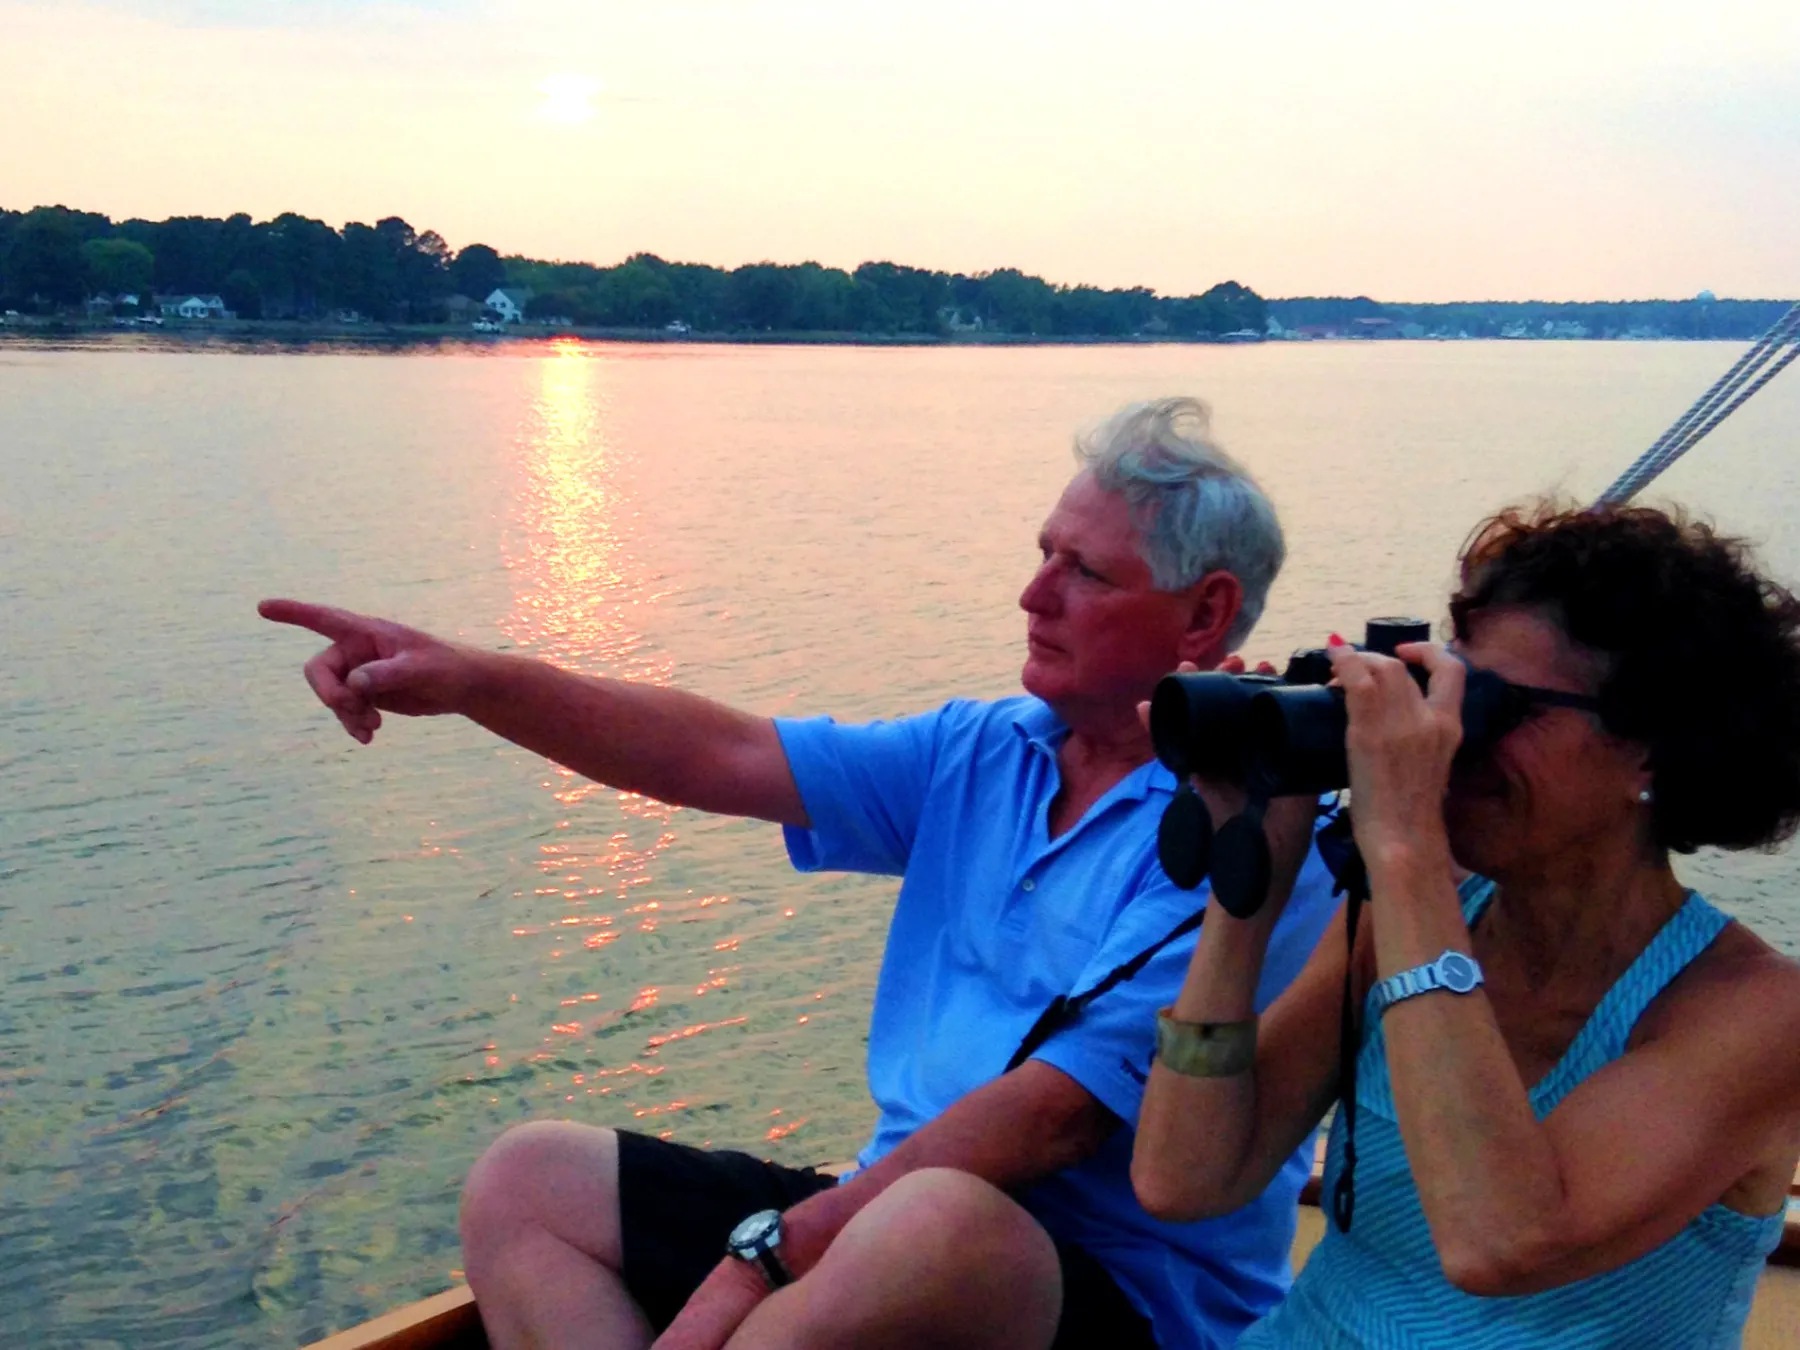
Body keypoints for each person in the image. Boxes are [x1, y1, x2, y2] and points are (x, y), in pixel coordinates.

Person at [262, 397, 1342, 1350]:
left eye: (1084, 572)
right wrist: (470, 681)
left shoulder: (1255, 823)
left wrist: (761, 1264)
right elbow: (720, 754)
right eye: (1043, 554)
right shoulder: (988, 751)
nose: (1032, 594)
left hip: (1111, 1297)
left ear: (1205, 614)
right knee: (529, 1182)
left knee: (931, 1223)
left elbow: (1055, 1119)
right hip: (887, 1219)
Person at [1131, 501, 1800, 1348]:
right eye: (1441, 690)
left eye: (1493, 707)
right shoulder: (1410, 925)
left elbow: (1500, 1242)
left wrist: (1404, 846)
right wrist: (1248, 892)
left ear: (1648, 749)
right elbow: (1185, 1179)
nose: (1447, 740)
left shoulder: (1761, 1016)